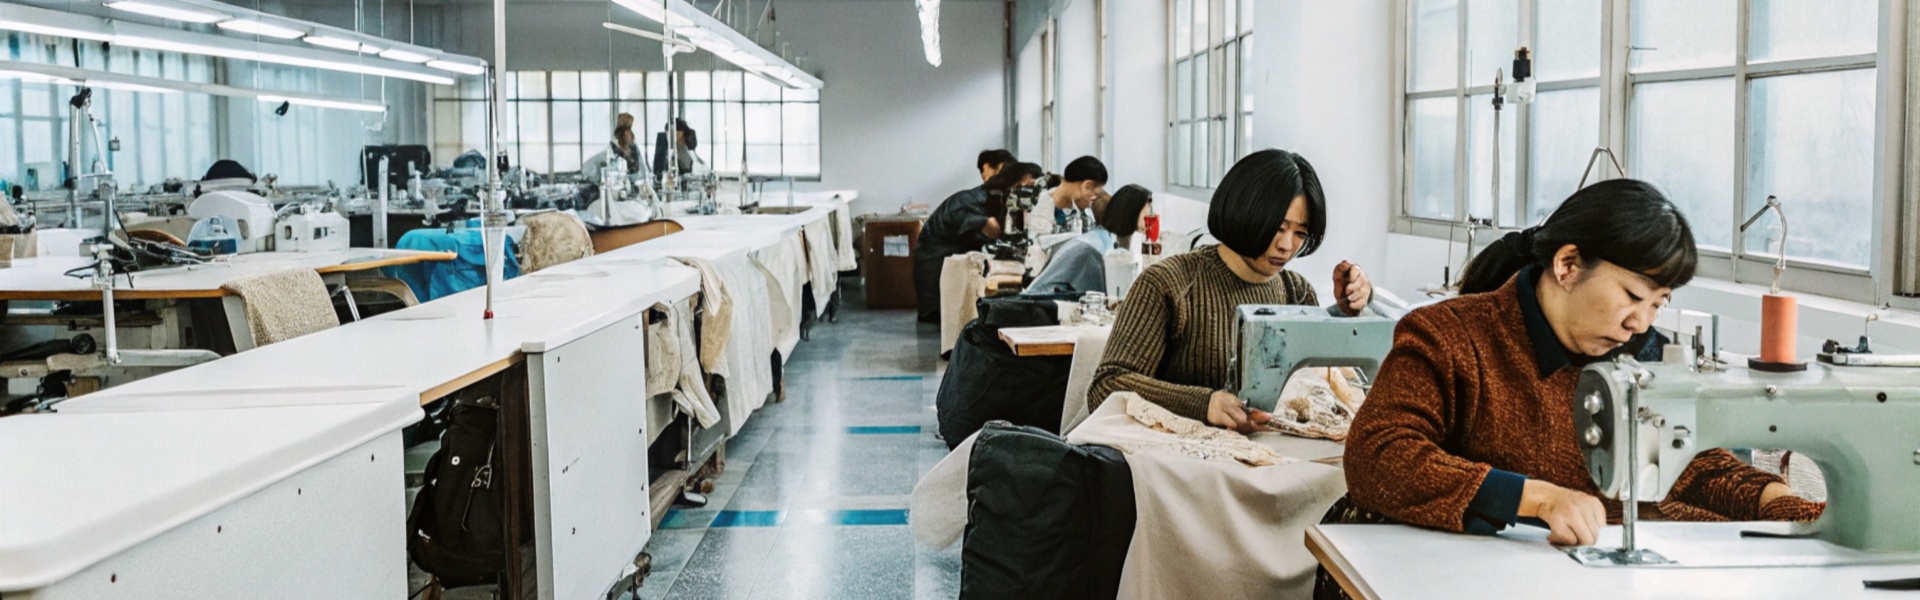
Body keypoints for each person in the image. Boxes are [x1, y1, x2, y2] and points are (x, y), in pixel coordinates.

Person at [1317, 180, 1823, 597]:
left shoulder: (1639, 354)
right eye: (1632, 296)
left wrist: (1777, 502)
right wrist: (1536, 498)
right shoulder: (1448, 336)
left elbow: (1687, 462)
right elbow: (1377, 456)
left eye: (1658, 304)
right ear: (1567, 265)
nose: (1640, 323)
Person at [1086, 149, 1375, 428]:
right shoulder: (1169, 284)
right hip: (1178, 466)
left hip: (1272, 461)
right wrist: (1204, 404)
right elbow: (1107, 386)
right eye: (1277, 227)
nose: (1287, 246)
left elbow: (1322, 384)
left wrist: (1349, 310)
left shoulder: (1296, 292)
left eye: (1300, 233)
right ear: (1244, 211)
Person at [913, 162, 1042, 322]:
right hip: (937, 290)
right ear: (1025, 179)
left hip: (943, 280)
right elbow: (995, 230)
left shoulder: (976, 198)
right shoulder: (969, 203)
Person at [1024, 184, 1153, 295]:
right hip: (1040, 310)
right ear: (1132, 212)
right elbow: (1103, 301)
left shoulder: (1103, 241)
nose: (1151, 219)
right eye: (1147, 213)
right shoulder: (1094, 250)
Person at [1040, 156, 1109, 235]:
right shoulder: (1039, 205)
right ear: (1087, 185)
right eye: (1095, 194)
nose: (1094, 199)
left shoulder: (1086, 214)